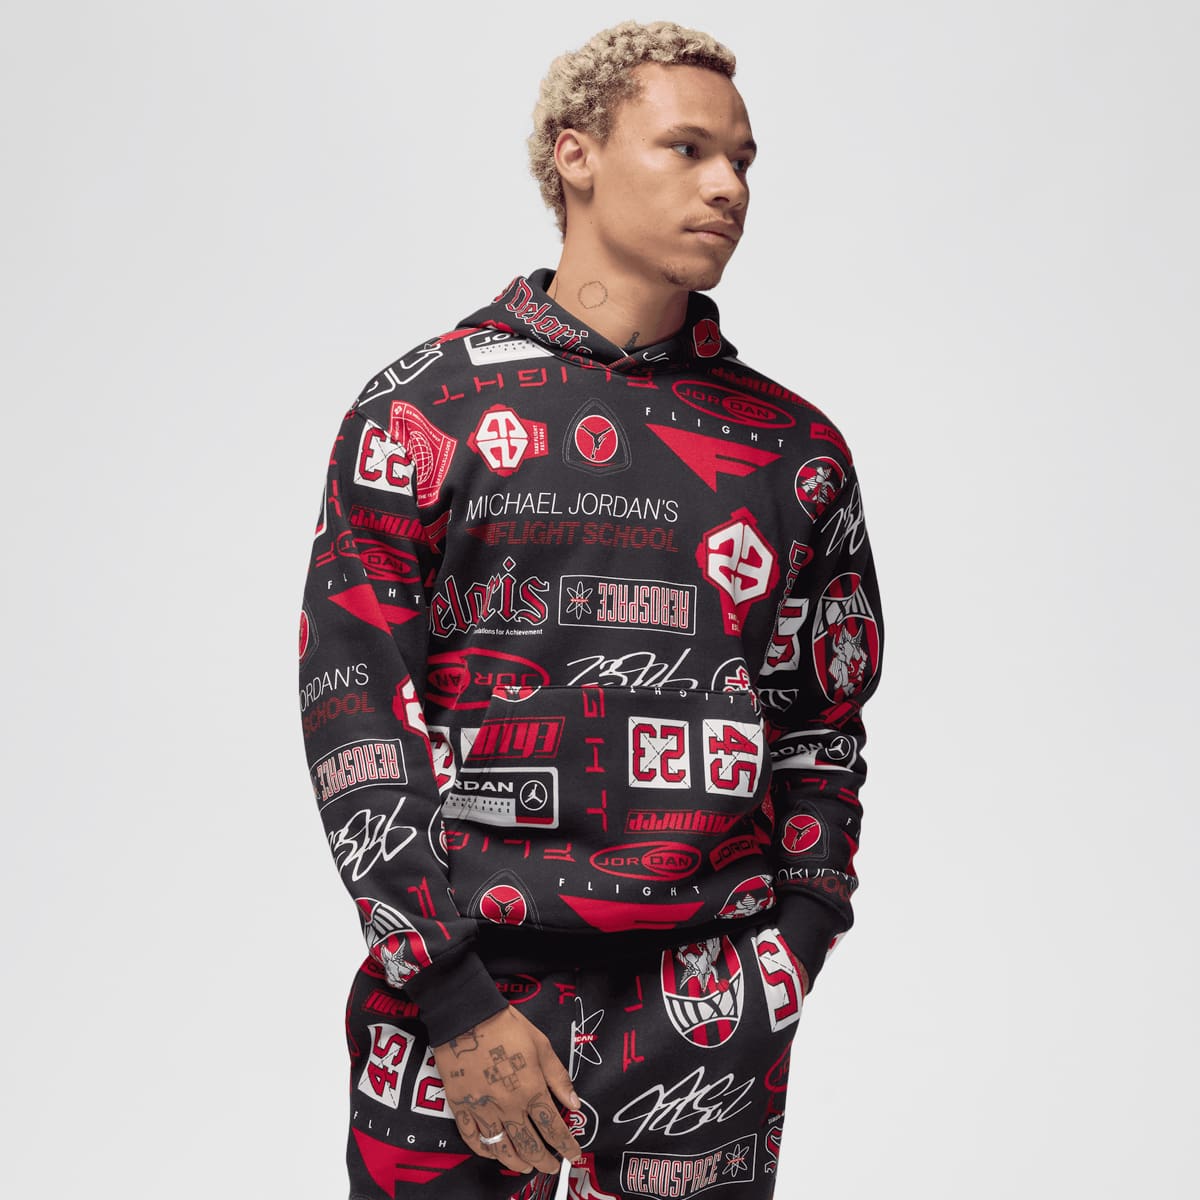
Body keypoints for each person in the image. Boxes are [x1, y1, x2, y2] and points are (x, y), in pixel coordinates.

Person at [298, 19, 884, 1200]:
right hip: (461, 1002)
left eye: (743, 160)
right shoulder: (427, 411)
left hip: (709, 1009)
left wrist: (790, 952)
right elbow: (356, 713)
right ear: (576, 156)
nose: (728, 187)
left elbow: (823, 727)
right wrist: (453, 998)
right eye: (687, 149)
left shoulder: (796, 451)